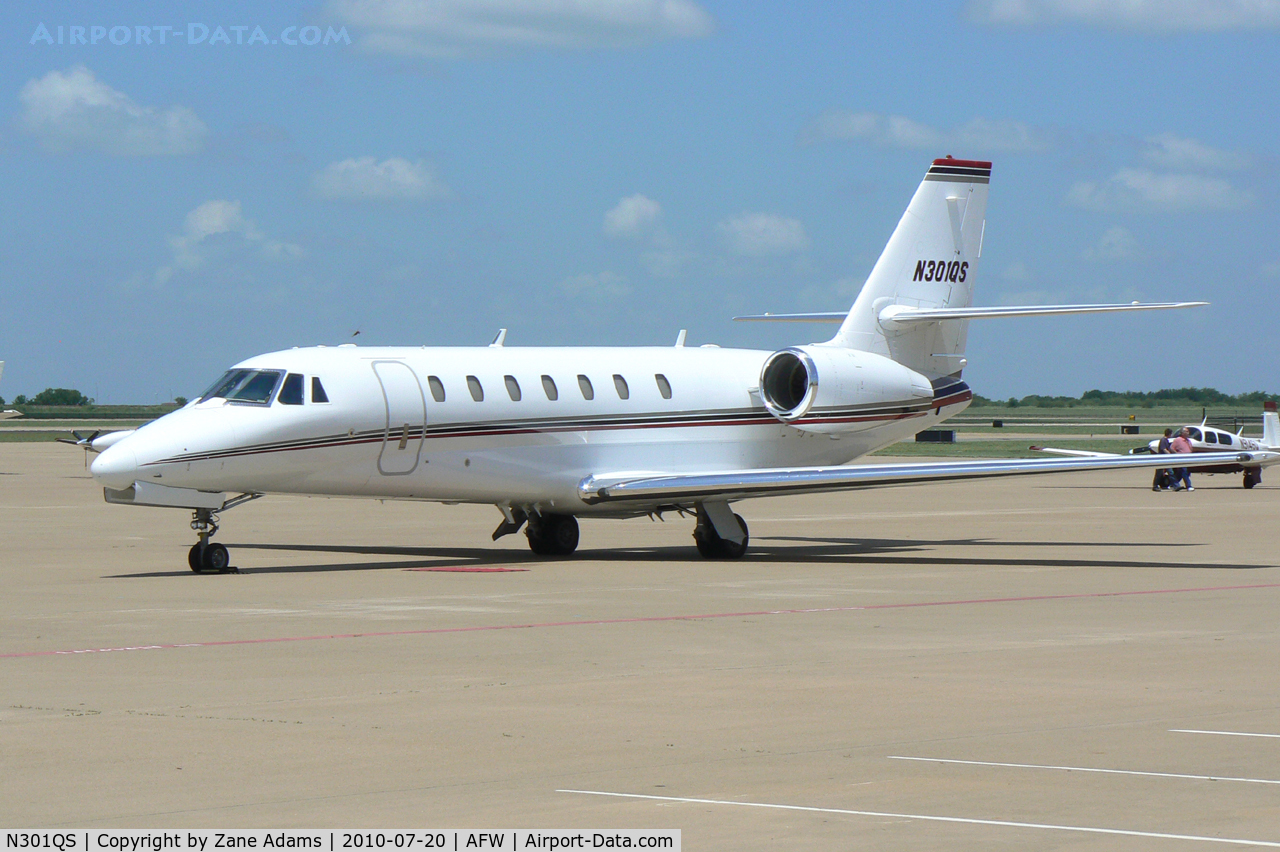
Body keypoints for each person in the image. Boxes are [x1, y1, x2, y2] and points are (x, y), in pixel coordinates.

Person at [1169, 427, 1194, 492]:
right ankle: (1189, 486)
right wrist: (1177, 454)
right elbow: (1172, 448)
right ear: (1182, 433)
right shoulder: (1178, 440)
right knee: (1184, 472)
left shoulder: (1188, 441)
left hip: (1188, 459)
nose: (1188, 433)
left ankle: (1173, 484)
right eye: (1187, 431)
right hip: (1182, 459)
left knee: (1181, 473)